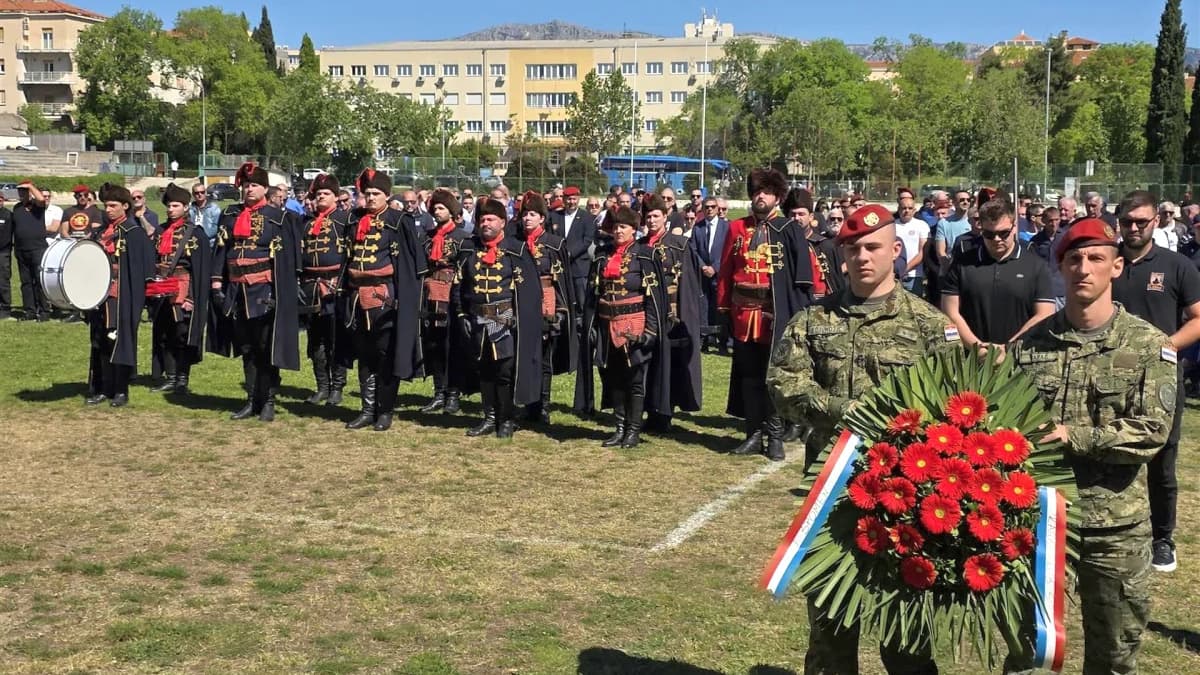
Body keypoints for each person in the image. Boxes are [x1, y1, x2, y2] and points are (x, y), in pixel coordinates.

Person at [767, 202, 959, 675]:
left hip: (907, 502)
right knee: (830, 634)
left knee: (907, 640)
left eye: (873, 247)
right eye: (852, 249)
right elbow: (783, 385)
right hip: (833, 498)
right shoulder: (813, 321)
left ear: (896, 250)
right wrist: (846, 412)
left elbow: (955, 407)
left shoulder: (931, 326)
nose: (862, 257)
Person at [1009, 218, 1175, 675]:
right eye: (1073, 259)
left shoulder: (1147, 345)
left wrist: (1075, 436)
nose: (1084, 268)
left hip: (1114, 529)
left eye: (1096, 258)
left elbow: (1152, 431)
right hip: (1039, 523)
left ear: (1117, 267)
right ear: (1060, 268)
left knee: (1115, 656)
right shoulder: (1029, 346)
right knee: (1029, 653)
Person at [1110, 190, 1200, 574]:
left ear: (1155, 222)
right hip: (1110, 375)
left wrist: (1165, 347)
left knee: (1162, 464)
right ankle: (1112, 531)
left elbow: (1197, 318)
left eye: (1141, 222)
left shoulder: (1178, 266)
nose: (1134, 228)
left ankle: (1163, 538)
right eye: (1128, 222)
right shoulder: (1106, 261)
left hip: (1161, 379)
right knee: (1110, 453)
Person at [716, 168, 813, 461]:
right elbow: (726, 271)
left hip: (775, 315)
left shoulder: (789, 228)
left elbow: (802, 276)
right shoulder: (736, 228)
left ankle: (774, 436)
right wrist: (723, 310)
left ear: (777, 197)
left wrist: (798, 315)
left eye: (767, 192)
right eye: (757, 191)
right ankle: (752, 433)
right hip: (743, 314)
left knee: (773, 377)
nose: (761, 196)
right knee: (748, 377)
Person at [209, 162, 302, 422]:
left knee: (265, 347)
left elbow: (288, 259)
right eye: (246, 185)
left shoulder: (279, 218)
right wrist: (217, 284)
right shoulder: (230, 214)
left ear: (265, 188)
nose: (249, 190)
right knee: (247, 348)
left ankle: (269, 400)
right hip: (237, 291)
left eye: (255, 185)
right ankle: (251, 400)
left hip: (264, 290)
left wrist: (279, 293)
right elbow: (221, 250)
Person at [342, 169, 426, 431]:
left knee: (386, 355)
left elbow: (411, 263)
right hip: (357, 297)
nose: (370, 198)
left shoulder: (399, 220)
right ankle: (368, 409)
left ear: (387, 196)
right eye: (367, 194)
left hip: (385, 297)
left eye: (376, 194)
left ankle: (385, 410)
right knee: (365, 356)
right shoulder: (354, 219)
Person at [453, 196, 542, 438]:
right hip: (476, 318)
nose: (485, 223)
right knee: (484, 371)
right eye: (482, 219)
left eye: (491, 219)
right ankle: (489, 418)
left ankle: (506, 419)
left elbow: (529, 291)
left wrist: (515, 319)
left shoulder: (516, 250)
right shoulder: (470, 250)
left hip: (504, 318)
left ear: (502, 222)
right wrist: (461, 314)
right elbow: (458, 286)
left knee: (504, 372)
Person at [583, 205, 663, 448]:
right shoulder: (601, 255)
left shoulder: (645, 255)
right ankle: (619, 428)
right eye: (616, 226)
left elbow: (653, 298)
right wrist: (593, 327)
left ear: (634, 229)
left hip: (634, 326)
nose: (618, 231)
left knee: (635, 381)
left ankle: (633, 431)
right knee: (614, 379)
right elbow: (594, 294)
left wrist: (650, 331)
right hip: (607, 326)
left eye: (624, 227)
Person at [941, 196, 1055, 349]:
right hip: (972, 358)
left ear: (1014, 227)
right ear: (980, 227)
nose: (996, 239)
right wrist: (977, 348)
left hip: (1020, 358)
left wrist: (1008, 349)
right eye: (989, 234)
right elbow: (949, 312)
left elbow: (1044, 314)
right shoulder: (962, 264)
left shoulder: (1036, 266)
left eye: (1003, 233)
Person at [85, 184, 153, 407]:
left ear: (125, 206)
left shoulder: (134, 234)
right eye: (106, 205)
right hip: (99, 297)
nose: (109, 210)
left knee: (118, 341)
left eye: (113, 205)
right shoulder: (99, 232)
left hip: (120, 296)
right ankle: (102, 388)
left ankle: (120, 390)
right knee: (99, 342)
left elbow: (143, 269)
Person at [639, 194, 703, 433]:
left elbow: (689, 285)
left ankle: (665, 413)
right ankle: (649, 409)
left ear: (665, 217)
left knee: (669, 366)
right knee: (648, 364)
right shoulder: (640, 246)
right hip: (646, 315)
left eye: (656, 216)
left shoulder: (679, 246)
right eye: (648, 216)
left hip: (672, 315)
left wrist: (686, 316)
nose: (652, 220)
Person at [146, 183, 211, 396]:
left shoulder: (195, 234)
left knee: (181, 335)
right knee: (164, 334)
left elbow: (199, 270)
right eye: (169, 205)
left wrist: (191, 297)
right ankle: (170, 377)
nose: (170, 209)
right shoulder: (161, 230)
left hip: (183, 288)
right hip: (161, 287)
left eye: (175, 205)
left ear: (185, 207)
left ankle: (182, 378)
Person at [518, 191, 577, 425]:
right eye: (525, 214)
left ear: (542, 218)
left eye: (532, 214)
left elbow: (563, 281)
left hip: (546, 304)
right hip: (521, 303)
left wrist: (560, 311)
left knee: (544, 359)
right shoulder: (516, 242)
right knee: (524, 356)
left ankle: (542, 405)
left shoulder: (554, 244)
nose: (527, 218)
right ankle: (527, 403)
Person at [298, 173, 353, 407]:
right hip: (311, 286)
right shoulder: (307, 223)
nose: (321, 196)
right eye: (318, 194)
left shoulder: (344, 221)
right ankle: (322, 387)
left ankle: (337, 388)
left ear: (335, 196)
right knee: (315, 341)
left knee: (336, 339)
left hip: (334, 286)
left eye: (326, 193)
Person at [418, 188, 470, 415]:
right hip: (430, 295)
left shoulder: (463, 238)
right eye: (434, 209)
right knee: (434, 345)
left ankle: (453, 394)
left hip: (451, 295)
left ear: (451, 211)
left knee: (453, 346)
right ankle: (438, 391)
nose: (437, 212)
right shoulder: (427, 237)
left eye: (441, 208)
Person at [691, 194, 730, 354]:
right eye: (706, 207)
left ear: (718, 209)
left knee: (720, 308)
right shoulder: (697, 227)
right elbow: (693, 250)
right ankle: (705, 340)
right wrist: (702, 266)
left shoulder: (727, 227)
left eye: (713, 207)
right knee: (704, 307)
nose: (710, 210)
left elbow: (728, 250)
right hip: (703, 275)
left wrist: (715, 267)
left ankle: (722, 342)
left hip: (720, 274)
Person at [11, 181, 50, 321]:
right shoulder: (17, 208)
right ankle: (30, 311)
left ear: (30, 193)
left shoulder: (37, 206)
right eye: (20, 191)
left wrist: (31, 186)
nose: (21, 194)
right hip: (21, 250)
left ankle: (44, 311)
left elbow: (41, 199)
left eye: (24, 191)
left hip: (37, 249)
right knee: (26, 282)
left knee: (39, 281)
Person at [894, 195, 928, 295]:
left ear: (914, 210)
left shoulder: (921, 225)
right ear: (898, 209)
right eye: (904, 208)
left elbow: (922, 252)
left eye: (910, 208)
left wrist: (904, 270)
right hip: (894, 276)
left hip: (914, 275)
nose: (907, 211)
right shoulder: (892, 226)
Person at [189, 183, 222, 247]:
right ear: (193, 194)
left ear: (206, 193)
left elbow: (217, 227)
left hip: (209, 243)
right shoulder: (189, 209)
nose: (200, 194)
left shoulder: (214, 208)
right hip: (193, 243)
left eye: (202, 192)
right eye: (197, 193)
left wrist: (202, 237)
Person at [0, 194, 11, 320]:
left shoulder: (7, 215)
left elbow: (7, 237)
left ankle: (5, 307)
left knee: (3, 281)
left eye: (1, 199)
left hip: (3, 252)